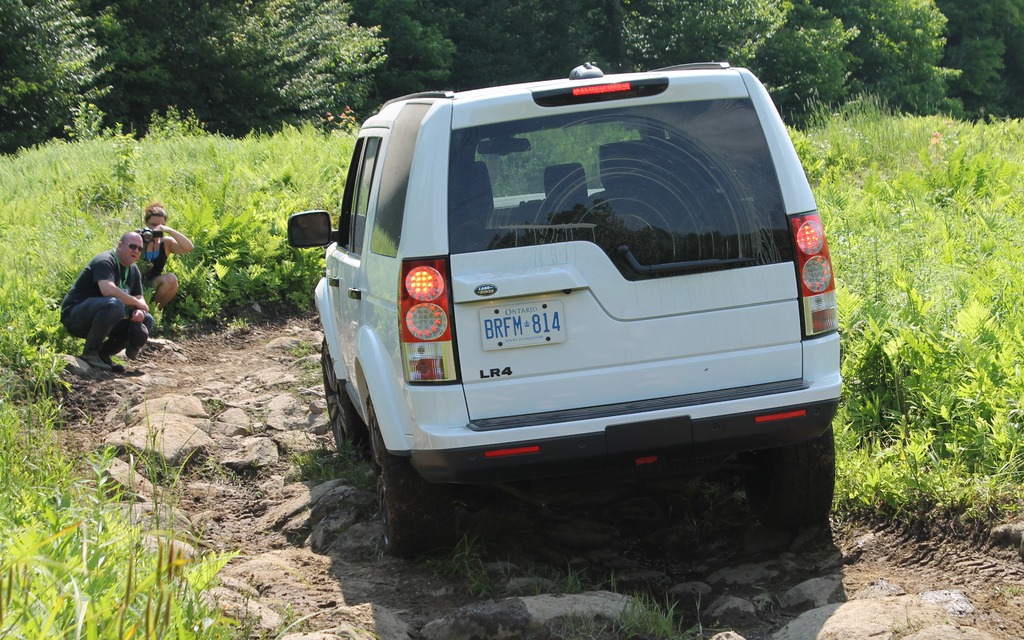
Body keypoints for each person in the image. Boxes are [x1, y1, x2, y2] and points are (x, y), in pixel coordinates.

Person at [61, 231, 155, 372]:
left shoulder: (133, 270)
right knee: (114, 304)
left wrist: (140, 310)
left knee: (146, 319)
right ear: (120, 245)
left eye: (140, 249)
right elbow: (107, 290)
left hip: (106, 315)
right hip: (76, 315)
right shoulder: (105, 260)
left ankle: (104, 354)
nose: (136, 251)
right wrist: (136, 303)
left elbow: (140, 299)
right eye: (132, 246)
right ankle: (90, 352)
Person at [140, 201, 194, 310]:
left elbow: (189, 247)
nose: (156, 229)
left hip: (153, 283)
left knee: (171, 280)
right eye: (153, 225)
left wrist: (168, 230)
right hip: (135, 283)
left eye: (160, 226)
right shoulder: (137, 238)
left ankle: (152, 312)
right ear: (146, 223)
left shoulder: (166, 243)